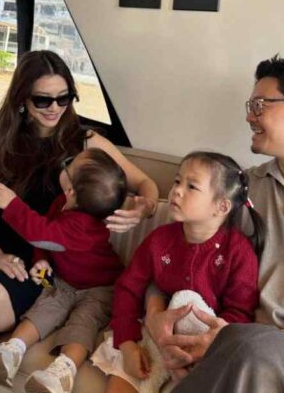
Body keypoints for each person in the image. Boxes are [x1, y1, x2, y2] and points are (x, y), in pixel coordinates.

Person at [141, 56, 284, 393]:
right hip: (238, 347)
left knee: (249, 354)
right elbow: (175, 260)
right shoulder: (238, 190)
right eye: (250, 106)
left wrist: (251, 344)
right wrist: (156, 319)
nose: (249, 116)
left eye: (260, 105)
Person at [0, 50, 159, 346]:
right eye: (43, 100)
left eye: (64, 98)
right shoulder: (0, 141)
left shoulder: (86, 143)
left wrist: (144, 207)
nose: (55, 108)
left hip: (36, 268)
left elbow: (146, 183)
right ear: (22, 99)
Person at [97, 152, 262, 393]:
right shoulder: (159, 240)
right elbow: (128, 288)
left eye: (191, 186)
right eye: (177, 181)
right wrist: (128, 344)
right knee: (121, 380)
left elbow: (240, 313)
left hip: (206, 343)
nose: (177, 191)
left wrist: (202, 348)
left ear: (222, 206)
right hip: (154, 332)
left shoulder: (238, 252)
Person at [0, 148, 127, 392]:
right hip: (64, 280)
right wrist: (41, 260)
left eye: (69, 165)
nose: (63, 164)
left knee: (83, 322)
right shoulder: (62, 203)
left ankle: (63, 371)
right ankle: (12, 350)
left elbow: (41, 232)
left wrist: (12, 204)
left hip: (100, 288)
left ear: (72, 190)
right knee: (44, 308)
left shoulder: (83, 227)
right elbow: (48, 239)